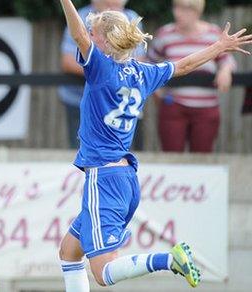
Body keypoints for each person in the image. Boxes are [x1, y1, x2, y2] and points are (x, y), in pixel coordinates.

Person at [57, 0, 252, 291]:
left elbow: (77, 36)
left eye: (94, 32)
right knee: (69, 253)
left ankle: (166, 259)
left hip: (103, 178)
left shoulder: (100, 69)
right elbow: (184, 65)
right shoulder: (143, 73)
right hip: (124, 178)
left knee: (103, 274)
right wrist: (218, 47)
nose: (89, 34)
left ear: (106, 41)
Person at [148, 0, 236, 152]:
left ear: (197, 11)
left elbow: (227, 60)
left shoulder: (213, 33)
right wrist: (155, 90)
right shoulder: (165, 34)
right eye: (176, 7)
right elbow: (150, 63)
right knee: (171, 157)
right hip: (173, 105)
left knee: (202, 158)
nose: (177, 13)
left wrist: (225, 71)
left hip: (206, 108)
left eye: (184, 9)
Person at [58, 0, 144, 149]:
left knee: (121, 155)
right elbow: (67, 60)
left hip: (120, 106)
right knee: (82, 153)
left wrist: (105, 72)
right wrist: (104, 72)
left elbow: (139, 60)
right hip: (80, 102)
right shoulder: (81, 16)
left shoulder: (131, 17)